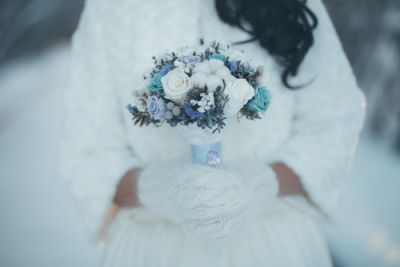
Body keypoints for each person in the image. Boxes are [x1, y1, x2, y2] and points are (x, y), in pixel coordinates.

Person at [61, 0, 366, 266]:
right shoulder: (109, 7)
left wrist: (258, 185)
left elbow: (332, 122)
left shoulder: (298, 3)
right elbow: (90, 150)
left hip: (276, 242)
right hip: (152, 246)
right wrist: (162, 192)